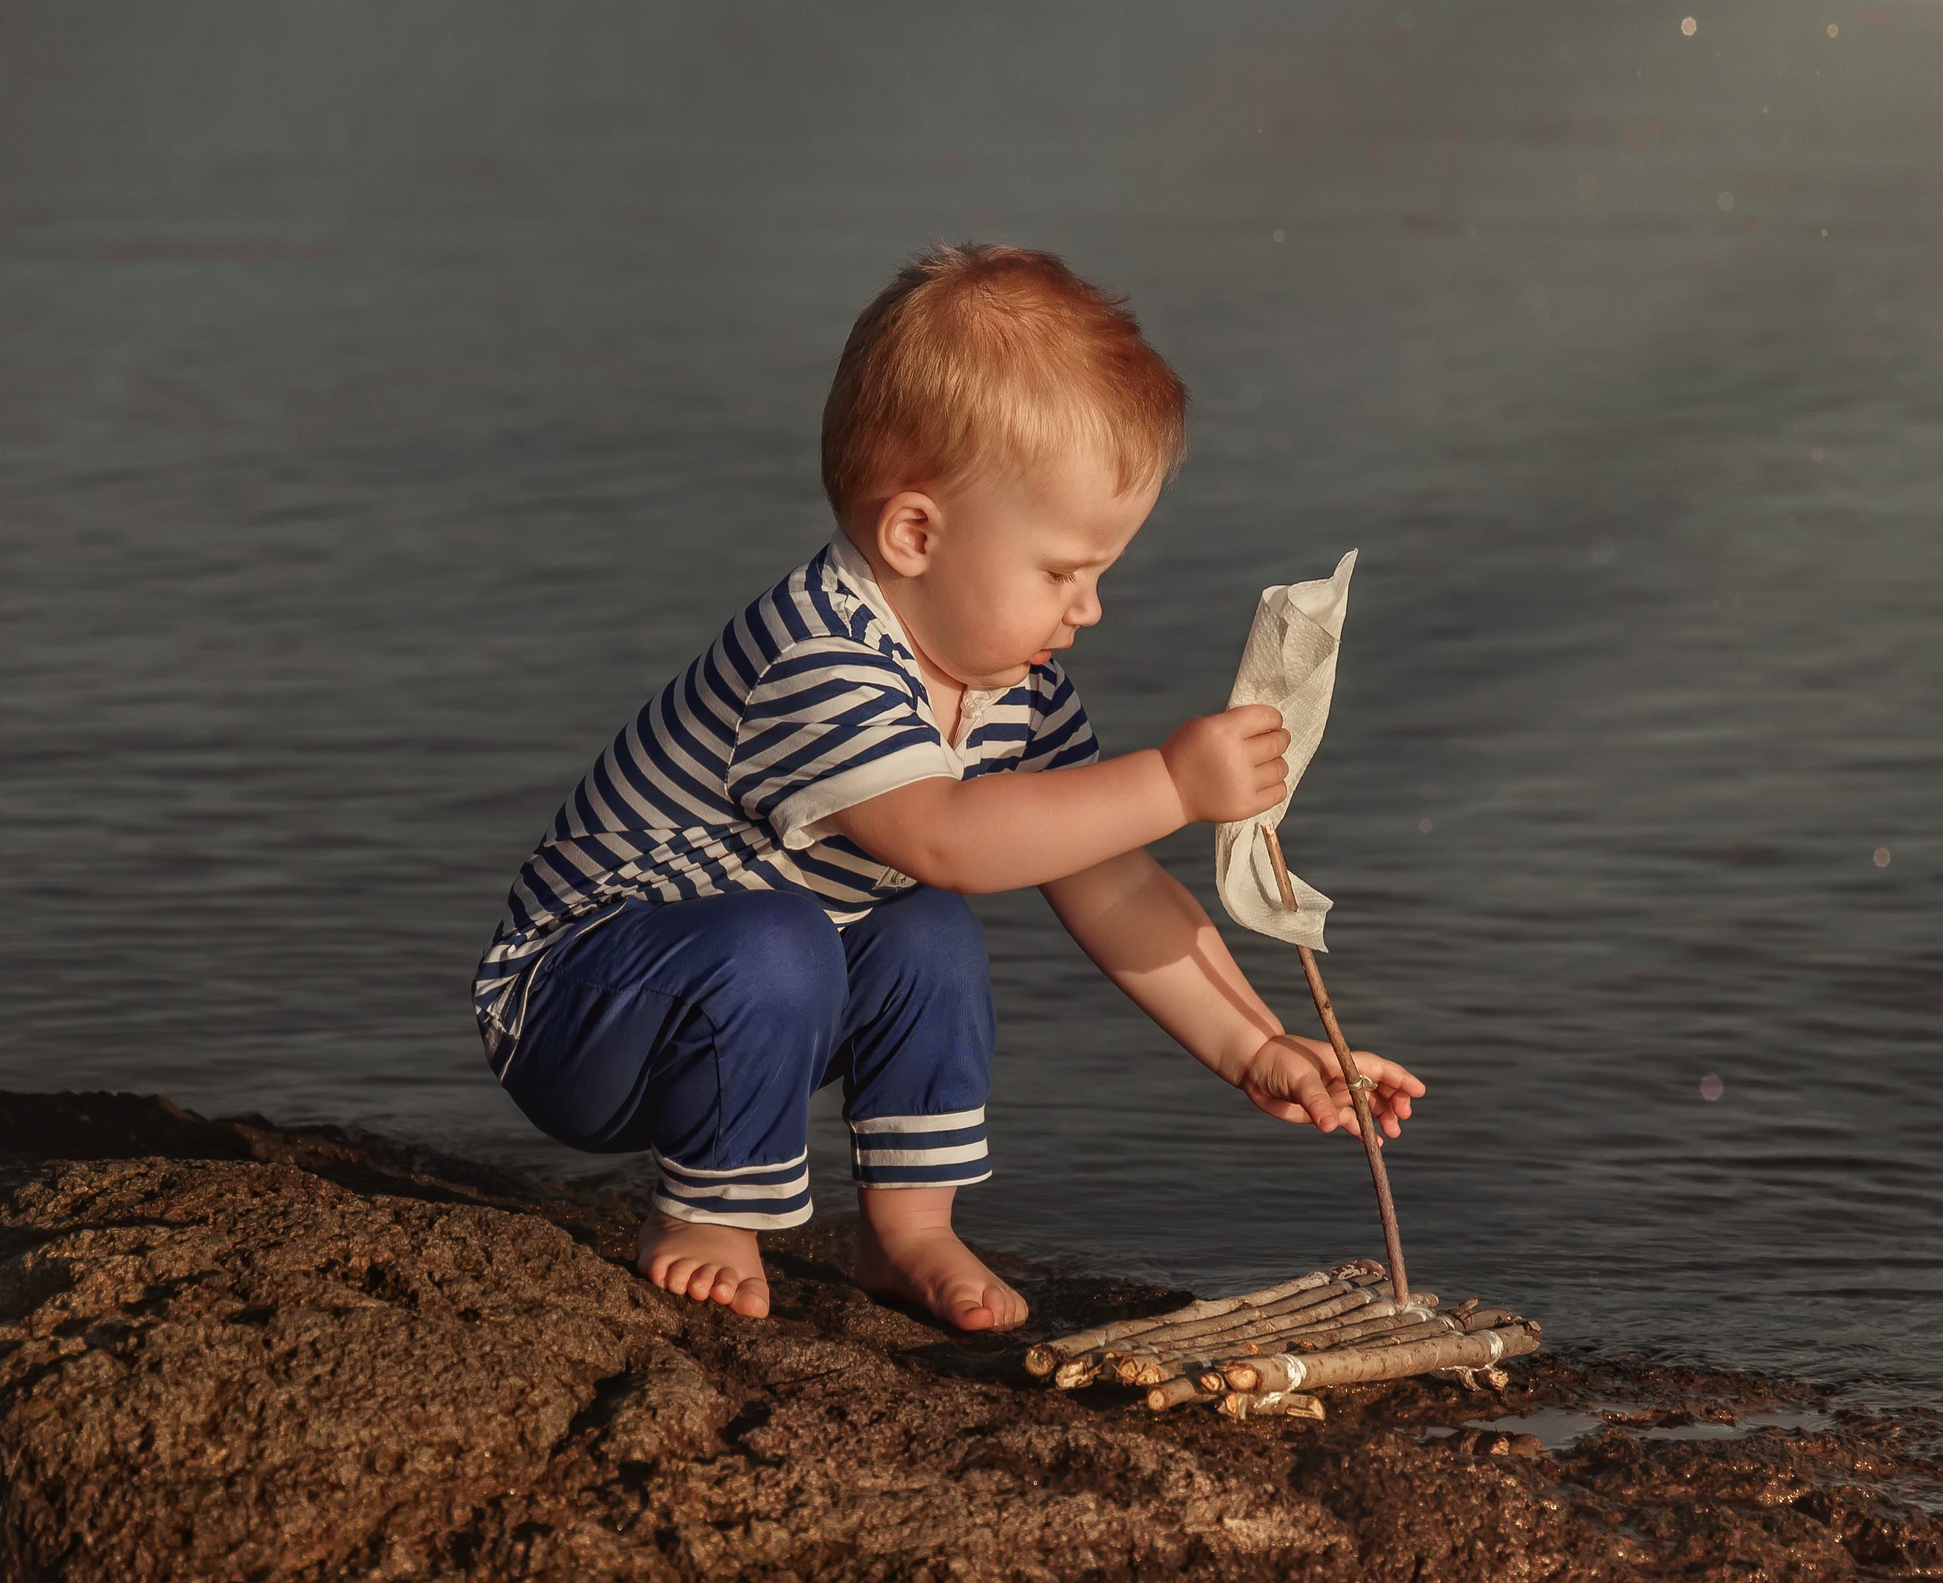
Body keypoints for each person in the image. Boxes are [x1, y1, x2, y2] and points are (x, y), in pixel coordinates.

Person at [472, 243, 1423, 1332]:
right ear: (914, 533)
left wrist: (1255, 1043)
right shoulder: (817, 655)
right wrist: (1169, 779)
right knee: (799, 929)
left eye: (1102, 573)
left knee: (926, 930)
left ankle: (908, 1228)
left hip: (765, 1000)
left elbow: (1107, 880)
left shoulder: (1011, 687)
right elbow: (948, 836)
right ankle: (707, 1212)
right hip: (585, 1007)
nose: (1090, 609)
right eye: (1064, 570)